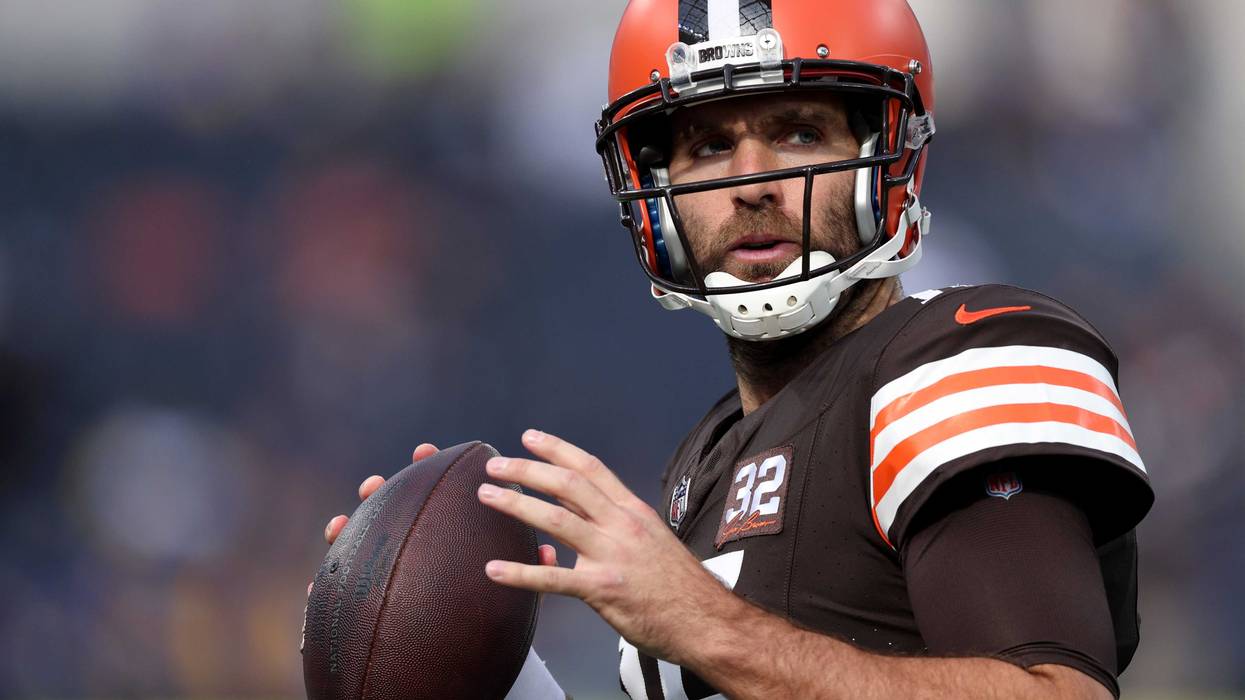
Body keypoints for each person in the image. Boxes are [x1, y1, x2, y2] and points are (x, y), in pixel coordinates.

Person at [319, 1, 1154, 698]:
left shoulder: (960, 357)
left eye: (795, 133)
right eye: (708, 147)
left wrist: (707, 628)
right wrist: (488, 667)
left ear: (885, 158)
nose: (749, 181)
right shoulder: (707, 463)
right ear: (655, 193)